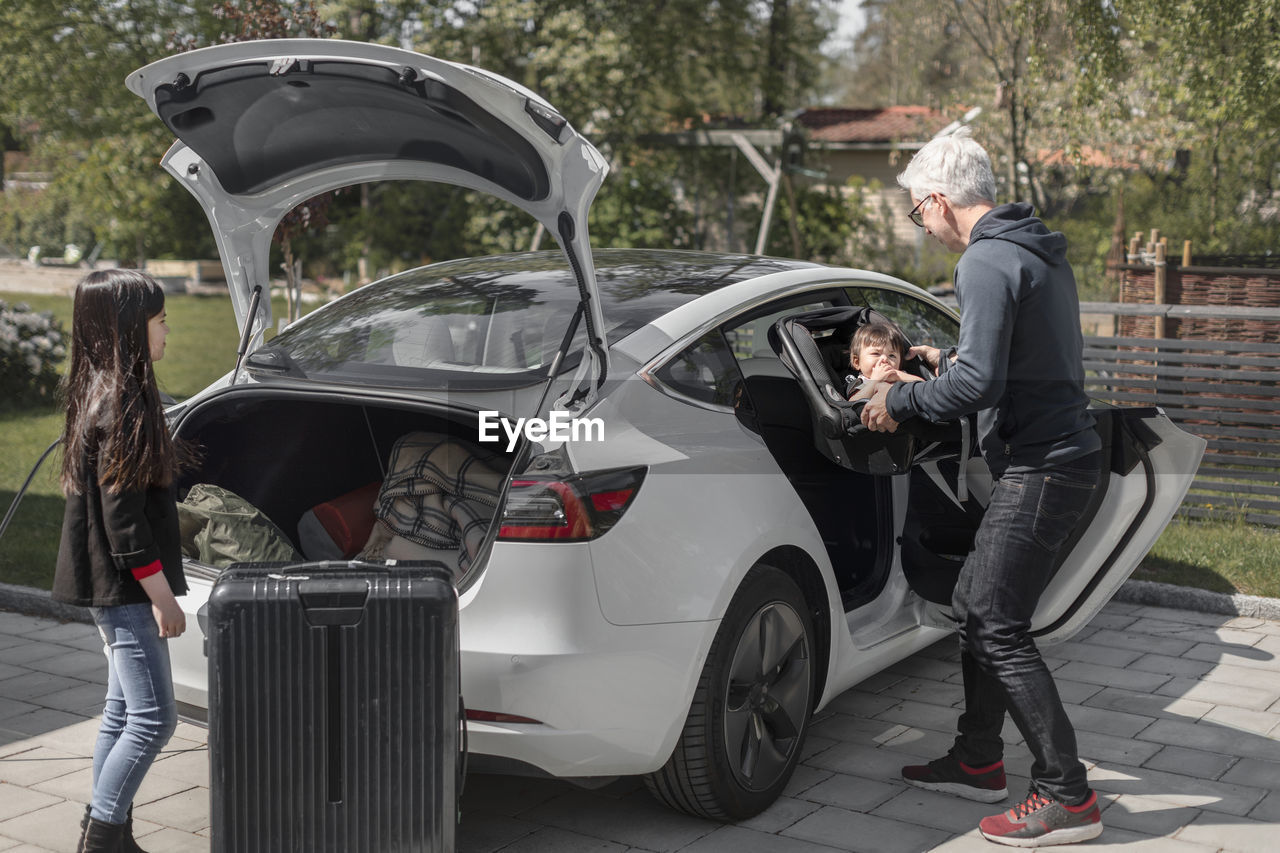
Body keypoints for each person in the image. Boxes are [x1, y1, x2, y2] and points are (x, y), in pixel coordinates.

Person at [860, 128, 1105, 848]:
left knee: (995, 621)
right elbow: (1002, 357)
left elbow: (980, 384)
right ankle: (977, 758)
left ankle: (1067, 792)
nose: (922, 225)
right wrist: (937, 354)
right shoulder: (1033, 250)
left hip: (1042, 464)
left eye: (916, 212)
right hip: (1059, 455)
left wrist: (895, 403)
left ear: (938, 199)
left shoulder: (986, 261)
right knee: (977, 604)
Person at [52, 269, 190, 853]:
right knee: (155, 719)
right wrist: (162, 599)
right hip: (127, 590)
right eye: (160, 321)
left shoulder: (104, 390)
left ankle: (110, 830)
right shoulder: (122, 404)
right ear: (130, 328)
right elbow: (125, 523)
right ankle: (103, 838)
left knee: (120, 710)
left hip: (111, 585)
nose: (167, 334)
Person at [844, 321, 922, 401]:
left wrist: (899, 375)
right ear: (857, 362)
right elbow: (852, 403)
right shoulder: (861, 382)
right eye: (876, 353)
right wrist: (875, 381)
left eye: (892, 355)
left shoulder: (901, 377)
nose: (885, 359)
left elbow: (924, 388)